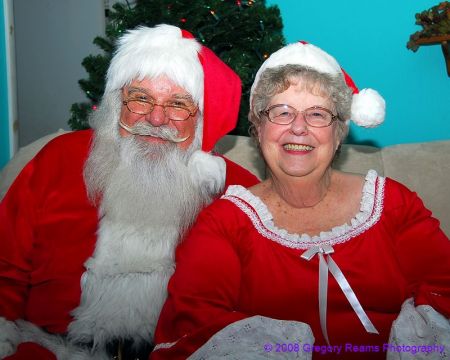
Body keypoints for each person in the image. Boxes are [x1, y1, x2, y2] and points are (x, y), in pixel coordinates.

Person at [151, 41, 450, 359]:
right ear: (259, 128)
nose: (298, 128)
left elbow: (443, 289)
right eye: (282, 112)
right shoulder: (224, 223)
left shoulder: (393, 204)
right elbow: (192, 330)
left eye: (317, 114)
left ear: (338, 133)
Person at [0, 24, 259, 360]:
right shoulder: (58, 159)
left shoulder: (235, 192)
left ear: (201, 120)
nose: (155, 118)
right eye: (140, 98)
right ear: (115, 104)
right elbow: (4, 266)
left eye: (178, 104)